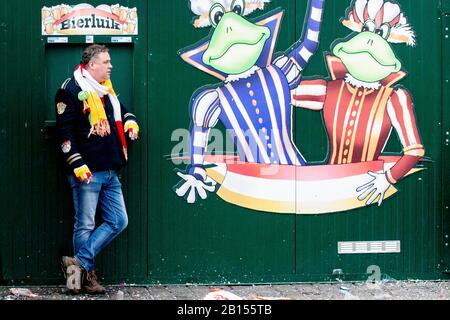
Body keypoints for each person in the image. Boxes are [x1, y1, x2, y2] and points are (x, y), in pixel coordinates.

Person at [55, 44, 139, 294]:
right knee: (85, 225)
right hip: (88, 171)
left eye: (110, 61)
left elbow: (121, 111)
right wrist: (77, 163)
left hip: (111, 168)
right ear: (92, 65)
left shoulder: (105, 90)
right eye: (106, 61)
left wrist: (130, 121)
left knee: (119, 220)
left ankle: (78, 263)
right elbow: (64, 131)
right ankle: (79, 281)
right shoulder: (70, 89)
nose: (110, 65)